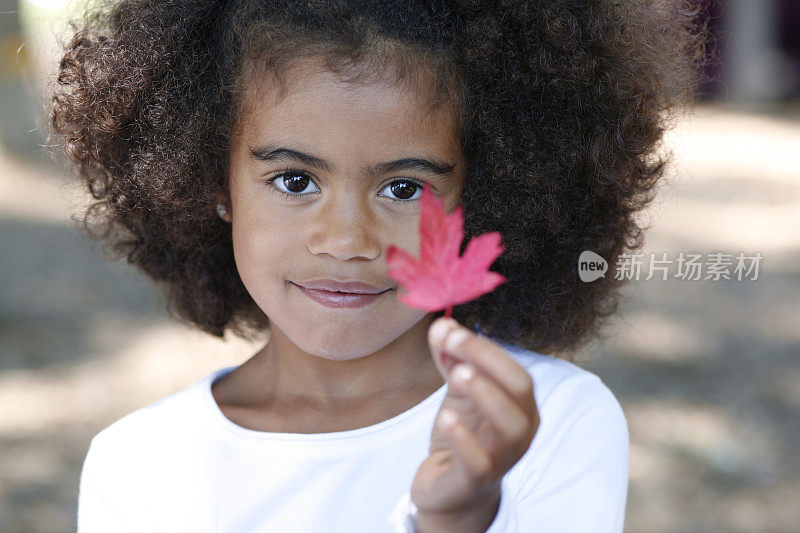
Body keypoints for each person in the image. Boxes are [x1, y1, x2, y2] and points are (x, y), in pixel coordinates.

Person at [48, 0, 707, 531]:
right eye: (295, 180)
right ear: (212, 181)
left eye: (403, 188)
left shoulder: (550, 423)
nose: (345, 239)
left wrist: (455, 520)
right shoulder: (138, 465)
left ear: (487, 195)